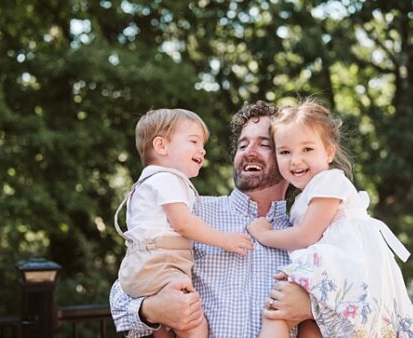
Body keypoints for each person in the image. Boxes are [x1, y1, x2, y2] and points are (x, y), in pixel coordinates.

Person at [110, 101, 315, 337]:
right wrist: (151, 309)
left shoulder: (307, 233)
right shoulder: (191, 212)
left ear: (286, 156)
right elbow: (121, 295)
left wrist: (310, 308)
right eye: (243, 145)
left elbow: (359, 305)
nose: (249, 152)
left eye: (264, 144)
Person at [247, 99, 413, 337]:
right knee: (309, 324)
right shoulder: (305, 197)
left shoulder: (330, 181)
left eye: (307, 149)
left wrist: (263, 234)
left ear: (329, 152)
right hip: (333, 265)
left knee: (277, 308)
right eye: (285, 152)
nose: (295, 160)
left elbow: (306, 235)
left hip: (346, 264)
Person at [113, 108, 254, 338]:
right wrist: (224, 239)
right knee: (194, 323)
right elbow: (183, 224)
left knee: (170, 324)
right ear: (161, 146)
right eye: (193, 141)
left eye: (202, 144)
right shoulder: (167, 178)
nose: (202, 149)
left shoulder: (154, 180)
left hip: (148, 265)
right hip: (161, 263)